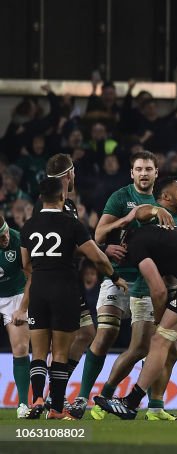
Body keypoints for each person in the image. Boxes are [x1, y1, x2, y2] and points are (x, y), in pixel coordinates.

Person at [93, 224, 177, 421]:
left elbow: (159, 291)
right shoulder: (158, 236)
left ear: (123, 241)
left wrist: (159, 321)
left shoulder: (136, 243)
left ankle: (130, 403)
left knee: (159, 340)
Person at [84, 154, 177, 421]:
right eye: (138, 169)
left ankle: (155, 406)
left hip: (150, 279)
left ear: (156, 173)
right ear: (131, 173)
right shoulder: (120, 197)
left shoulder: (165, 201)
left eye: (148, 169)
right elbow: (98, 235)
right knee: (106, 335)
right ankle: (86, 397)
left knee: (158, 345)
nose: (143, 173)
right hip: (118, 275)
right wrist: (111, 240)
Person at [20, 177, 127, 420]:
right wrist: (115, 276)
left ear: (40, 198)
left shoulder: (29, 225)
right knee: (59, 353)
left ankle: (36, 399)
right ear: (62, 197)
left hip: (38, 289)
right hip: (64, 291)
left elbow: (25, 264)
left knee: (37, 352)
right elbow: (98, 257)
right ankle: (56, 408)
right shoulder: (72, 225)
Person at [32, 154, 97, 417]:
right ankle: (50, 398)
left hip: (65, 280)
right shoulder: (50, 204)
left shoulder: (66, 204)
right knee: (54, 344)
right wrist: (99, 251)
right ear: (70, 174)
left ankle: (51, 395)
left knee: (86, 333)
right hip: (55, 283)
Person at [0, 215, 32, 418]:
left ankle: (22, 404)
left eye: (4, 233)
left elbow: (32, 275)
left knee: (20, 346)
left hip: (15, 294)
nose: (5, 239)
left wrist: (22, 308)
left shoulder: (18, 240)